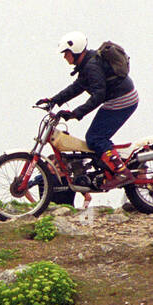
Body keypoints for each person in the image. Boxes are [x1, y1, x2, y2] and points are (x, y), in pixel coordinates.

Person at [39, 31, 140, 189]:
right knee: (96, 138)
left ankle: (121, 172)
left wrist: (75, 113)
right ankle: (110, 165)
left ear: (75, 50)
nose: (64, 57)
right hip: (120, 98)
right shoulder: (88, 64)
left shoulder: (92, 66)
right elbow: (77, 87)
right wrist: (54, 100)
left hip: (122, 100)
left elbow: (98, 95)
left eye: (66, 53)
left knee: (95, 138)